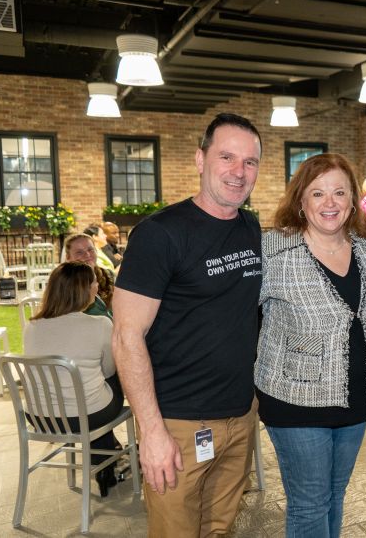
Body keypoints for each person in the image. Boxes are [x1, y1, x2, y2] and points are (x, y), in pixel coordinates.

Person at [112, 113, 263, 537]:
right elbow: (126, 337)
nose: (238, 171)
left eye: (250, 162)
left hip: (238, 418)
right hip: (178, 424)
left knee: (219, 529)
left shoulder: (251, 228)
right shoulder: (159, 234)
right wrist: (152, 432)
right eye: (227, 157)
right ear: (200, 159)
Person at [256, 153, 366, 537]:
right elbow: (235, 312)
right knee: (310, 504)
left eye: (339, 192)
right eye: (318, 193)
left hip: (355, 398)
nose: (329, 203)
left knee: (334, 494)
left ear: (353, 200)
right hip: (294, 401)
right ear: (301, 200)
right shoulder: (274, 250)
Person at [23, 261, 123, 497]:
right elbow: (109, 370)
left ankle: (105, 460)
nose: (97, 286)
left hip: (40, 416)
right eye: (94, 282)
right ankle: (105, 460)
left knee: (90, 392)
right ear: (85, 289)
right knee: (113, 380)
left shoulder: (32, 325)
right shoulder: (99, 324)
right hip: (83, 417)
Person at [64, 233, 114, 317]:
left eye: (90, 249)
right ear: (68, 257)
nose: (87, 255)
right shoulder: (64, 282)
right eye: (79, 252)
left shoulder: (108, 275)